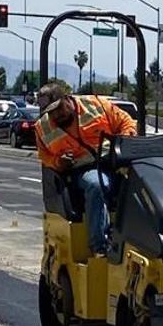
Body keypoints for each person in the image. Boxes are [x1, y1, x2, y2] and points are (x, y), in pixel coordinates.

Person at [34, 82, 137, 256]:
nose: (56, 116)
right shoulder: (42, 128)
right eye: (50, 112)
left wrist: (123, 143)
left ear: (67, 99)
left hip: (115, 160)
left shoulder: (95, 105)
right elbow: (45, 157)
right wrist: (59, 162)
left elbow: (125, 121)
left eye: (58, 109)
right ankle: (99, 246)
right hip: (83, 169)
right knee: (96, 185)